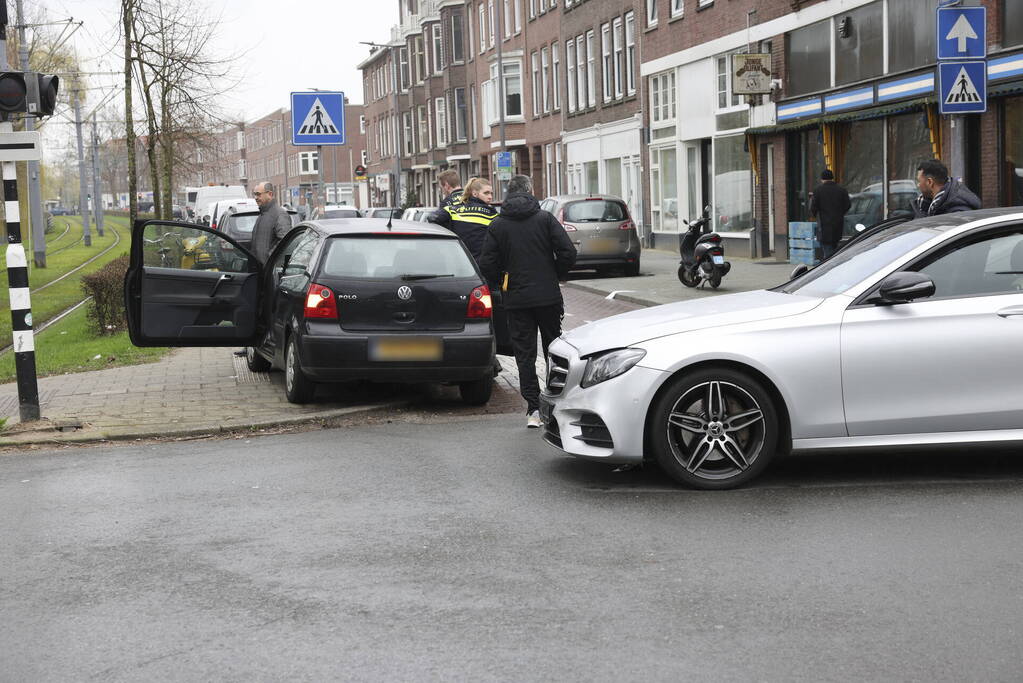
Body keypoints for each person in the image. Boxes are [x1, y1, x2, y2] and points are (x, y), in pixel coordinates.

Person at [479, 174, 576, 429]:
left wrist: (503, 281)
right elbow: (568, 251)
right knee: (554, 350)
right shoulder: (544, 219)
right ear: (531, 190)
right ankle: (555, 403)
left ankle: (533, 409)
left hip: (517, 299)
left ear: (508, 194)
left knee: (525, 354)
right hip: (548, 297)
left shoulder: (498, 224)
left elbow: (487, 263)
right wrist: (555, 274)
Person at [430, 177, 498, 260]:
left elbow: (432, 218)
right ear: (475, 193)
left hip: (460, 261)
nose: (490, 197)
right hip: (482, 262)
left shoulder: (453, 210)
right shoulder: (492, 214)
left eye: (491, 193)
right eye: (486, 193)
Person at [913, 159, 982, 217]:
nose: (918, 185)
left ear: (930, 182)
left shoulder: (957, 213)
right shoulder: (926, 203)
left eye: (919, 181)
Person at [809, 169, 851, 260]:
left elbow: (813, 208)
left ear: (822, 179)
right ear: (832, 178)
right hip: (838, 224)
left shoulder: (818, 191)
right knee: (834, 246)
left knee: (827, 250)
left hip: (824, 226)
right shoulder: (842, 190)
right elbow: (848, 205)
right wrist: (840, 213)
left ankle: (829, 268)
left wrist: (815, 215)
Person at [250, 181, 292, 265]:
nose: (255, 197)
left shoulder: (280, 215)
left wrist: (268, 259)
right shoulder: (262, 215)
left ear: (270, 194)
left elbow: (285, 242)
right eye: (254, 194)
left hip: (270, 272)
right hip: (260, 270)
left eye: (258, 194)